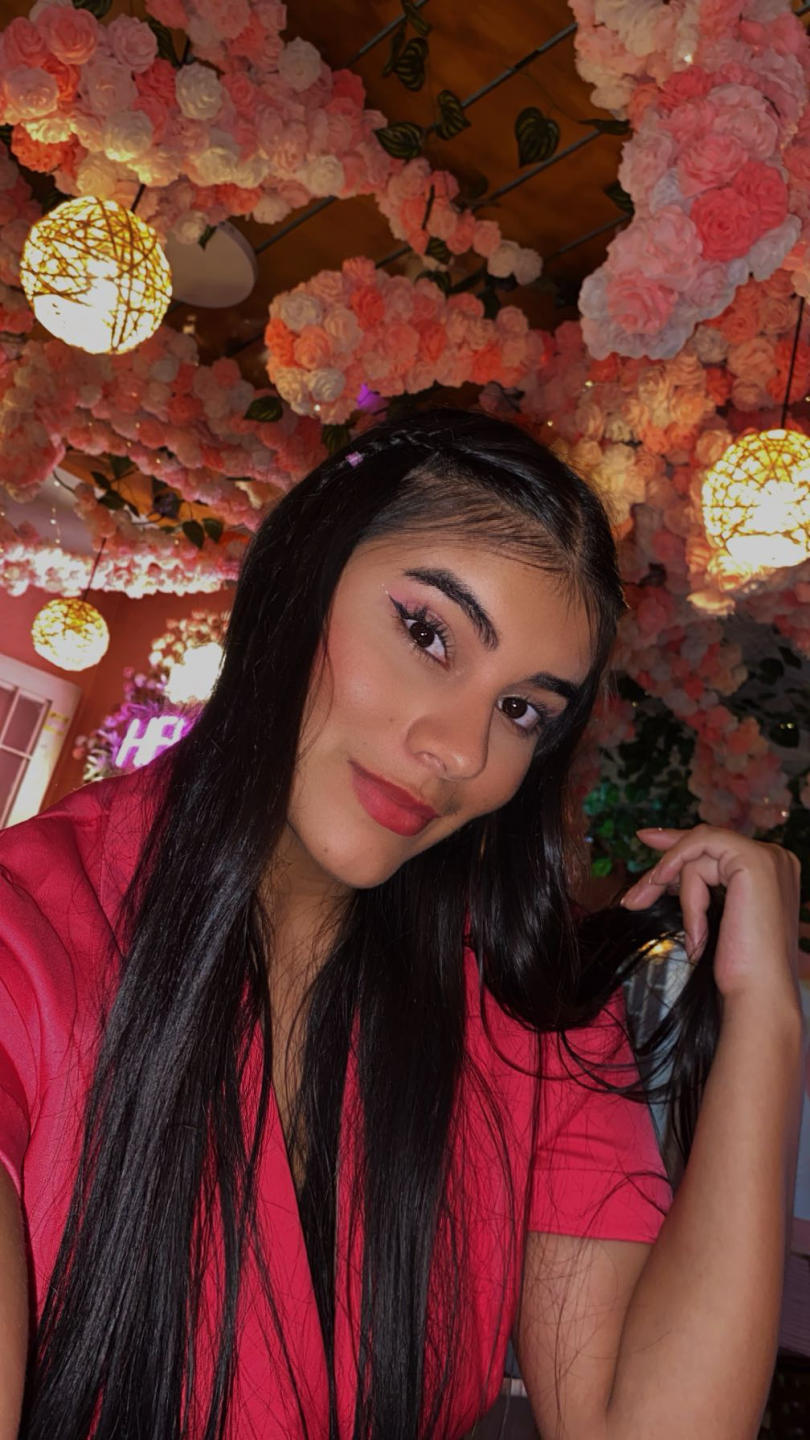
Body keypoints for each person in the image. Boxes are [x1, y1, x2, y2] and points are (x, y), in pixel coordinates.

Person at [0, 407, 803, 1440]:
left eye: (522, 710)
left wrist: (767, 1016)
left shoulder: (523, 1010)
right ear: (301, 575)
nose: (463, 751)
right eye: (428, 633)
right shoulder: (29, 934)